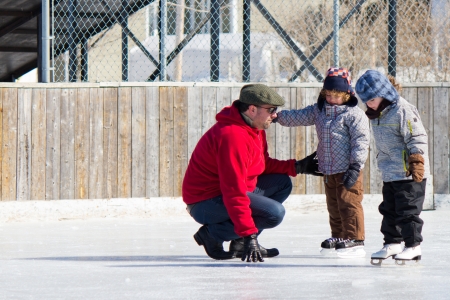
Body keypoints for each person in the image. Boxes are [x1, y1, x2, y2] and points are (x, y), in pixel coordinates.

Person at [182, 84, 321, 263]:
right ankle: (212, 235)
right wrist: (250, 235)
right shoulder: (232, 137)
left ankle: (238, 243)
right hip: (205, 203)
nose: (274, 115)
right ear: (252, 109)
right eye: (271, 110)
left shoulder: (254, 129)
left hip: (225, 194)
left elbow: (262, 165)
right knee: (273, 214)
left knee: (282, 183)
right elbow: (234, 191)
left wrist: (298, 167)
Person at [274, 67, 370, 258]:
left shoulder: (354, 114)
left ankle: (355, 239)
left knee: (348, 203)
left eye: (337, 95)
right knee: (334, 205)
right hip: (328, 169)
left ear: (347, 94)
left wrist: (355, 165)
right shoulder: (320, 111)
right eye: (328, 94)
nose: (332, 99)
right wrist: (278, 117)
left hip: (348, 169)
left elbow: (361, 141)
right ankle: (339, 236)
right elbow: (298, 116)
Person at [355, 70, 430, 264]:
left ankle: (413, 246)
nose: (369, 103)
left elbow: (417, 136)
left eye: (372, 99)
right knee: (389, 210)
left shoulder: (402, 110)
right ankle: (392, 243)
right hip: (390, 172)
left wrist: (416, 161)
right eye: (366, 100)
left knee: (408, 212)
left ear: (384, 94)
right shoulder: (377, 114)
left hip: (409, 173)